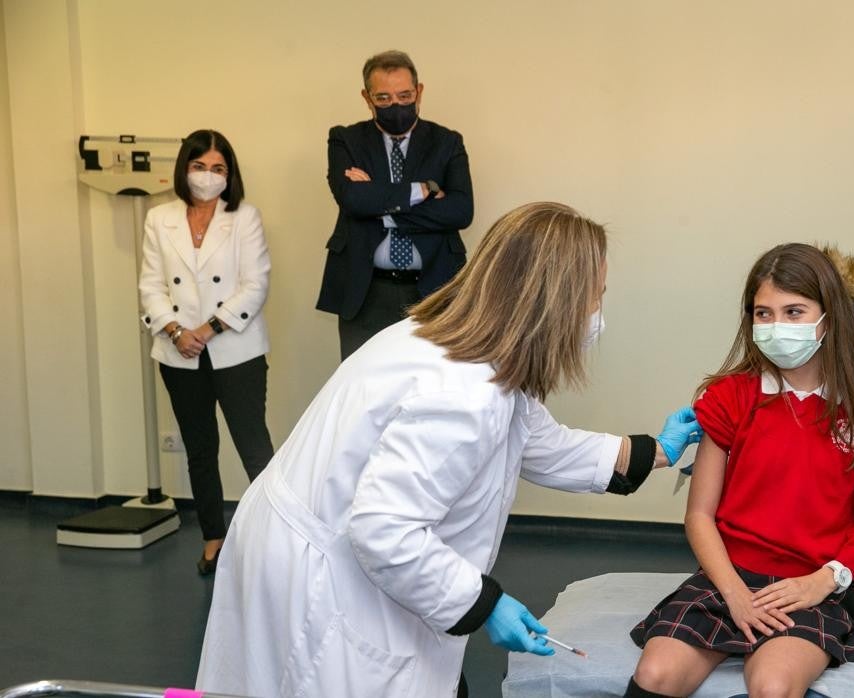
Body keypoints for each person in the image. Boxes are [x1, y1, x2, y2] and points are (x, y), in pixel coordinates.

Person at [195, 202, 703, 698]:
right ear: (554, 301)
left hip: (304, 539)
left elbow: (536, 441)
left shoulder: (458, 345)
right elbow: (384, 531)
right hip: (322, 575)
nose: (596, 314)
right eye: (596, 297)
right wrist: (484, 603)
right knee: (347, 669)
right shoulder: (463, 392)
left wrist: (657, 451)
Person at [627, 244, 854, 698]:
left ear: (830, 318)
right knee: (656, 674)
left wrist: (824, 581)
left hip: (810, 585)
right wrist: (735, 594)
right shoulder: (728, 398)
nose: (778, 326)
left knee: (773, 685)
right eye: (764, 313)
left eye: (794, 311)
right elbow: (699, 515)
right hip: (728, 576)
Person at [138, 129, 274, 575]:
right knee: (200, 450)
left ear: (229, 175)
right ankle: (213, 537)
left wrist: (208, 327)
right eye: (200, 167)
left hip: (236, 349)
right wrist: (176, 329)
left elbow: (256, 285)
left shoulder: (245, 217)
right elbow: (151, 285)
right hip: (179, 354)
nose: (208, 176)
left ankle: (277, 541)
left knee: (254, 449)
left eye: (218, 168)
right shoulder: (160, 219)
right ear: (184, 168)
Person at [317, 49, 474, 359]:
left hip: (434, 288)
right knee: (364, 393)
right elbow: (352, 199)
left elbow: (461, 210)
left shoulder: (447, 141)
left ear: (419, 91)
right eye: (384, 98)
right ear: (367, 97)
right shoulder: (345, 140)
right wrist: (424, 190)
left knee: (432, 390)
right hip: (366, 290)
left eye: (404, 95)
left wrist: (381, 205)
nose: (396, 106)